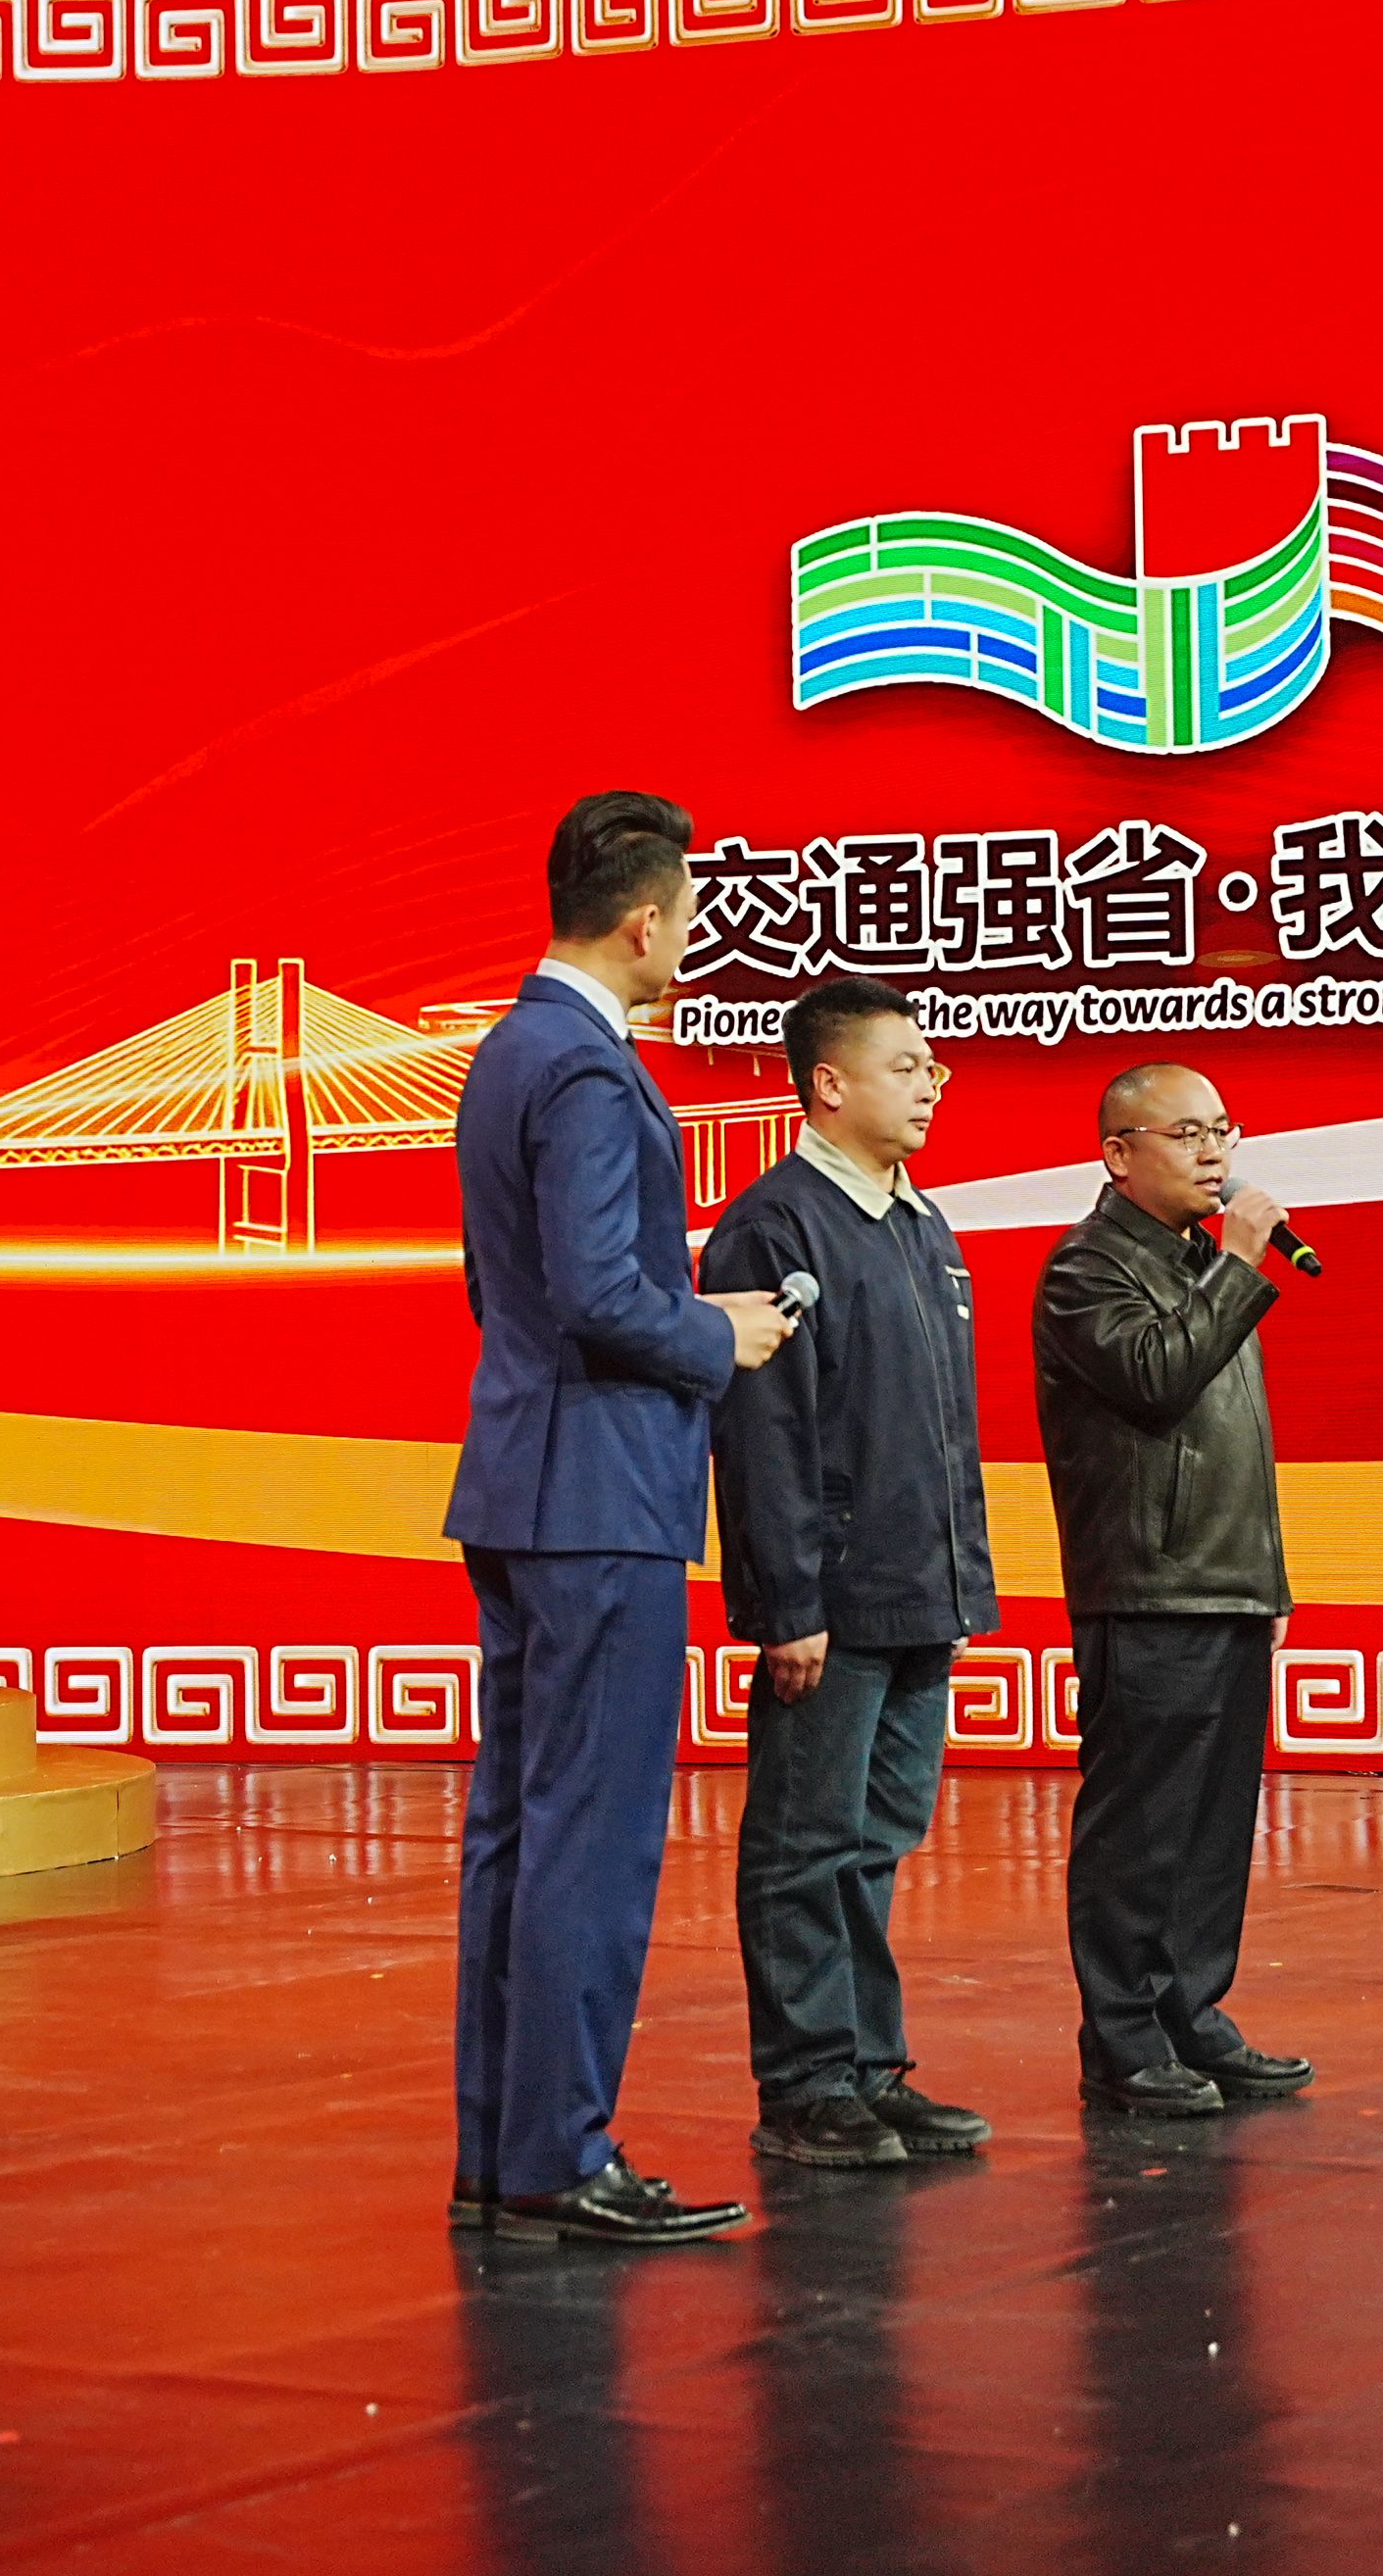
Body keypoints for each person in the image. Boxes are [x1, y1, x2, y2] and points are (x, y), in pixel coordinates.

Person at [444, 790, 795, 2245]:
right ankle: (561, 2155)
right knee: (590, 1834)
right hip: (602, 1493)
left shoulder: (508, 1051)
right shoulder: (587, 1067)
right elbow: (596, 1289)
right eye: (690, 913)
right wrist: (720, 1334)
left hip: (529, 1478)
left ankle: (506, 2153)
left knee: (521, 1834)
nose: (694, 938)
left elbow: (516, 1288)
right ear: (645, 922)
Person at [701, 976, 1000, 2170]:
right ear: (829, 1084)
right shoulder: (774, 1228)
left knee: (878, 1840)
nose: (932, 1085)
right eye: (906, 1065)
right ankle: (806, 2084)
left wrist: (961, 1585)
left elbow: (943, 1432)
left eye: (933, 1067)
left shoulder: (924, 1226)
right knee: (805, 1844)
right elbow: (762, 1432)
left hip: (922, 1591)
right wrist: (788, 1604)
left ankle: (872, 2068)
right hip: (833, 1602)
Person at [1029, 1061, 1318, 2119]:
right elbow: (1156, 1379)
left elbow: (1236, 1445)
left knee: (1211, 1828)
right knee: (1141, 1828)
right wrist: (1238, 1264)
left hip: (1225, 1583)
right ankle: (1122, 2037)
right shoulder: (1086, 1268)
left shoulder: (1204, 1265)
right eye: (1187, 1133)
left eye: (1223, 1131)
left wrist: (1267, 1578)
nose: (1214, 1153)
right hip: (1149, 1588)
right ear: (1118, 1154)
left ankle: (1194, 2013)